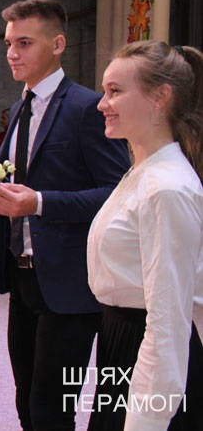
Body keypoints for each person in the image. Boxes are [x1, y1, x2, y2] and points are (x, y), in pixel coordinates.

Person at [0, 0, 131, 431]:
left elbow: (116, 193)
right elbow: (22, 179)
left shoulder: (87, 108)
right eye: (9, 44)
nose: (12, 53)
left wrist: (40, 203)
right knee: (26, 403)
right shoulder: (20, 108)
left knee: (51, 410)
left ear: (59, 44)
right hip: (21, 276)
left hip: (69, 282)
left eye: (25, 43)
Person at [86, 41, 203, 430]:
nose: (102, 104)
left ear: (160, 97)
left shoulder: (166, 188)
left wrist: (147, 418)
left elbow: (168, 320)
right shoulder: (142, 172)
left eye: (115, 91)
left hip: (146, 344)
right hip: (121, 336)